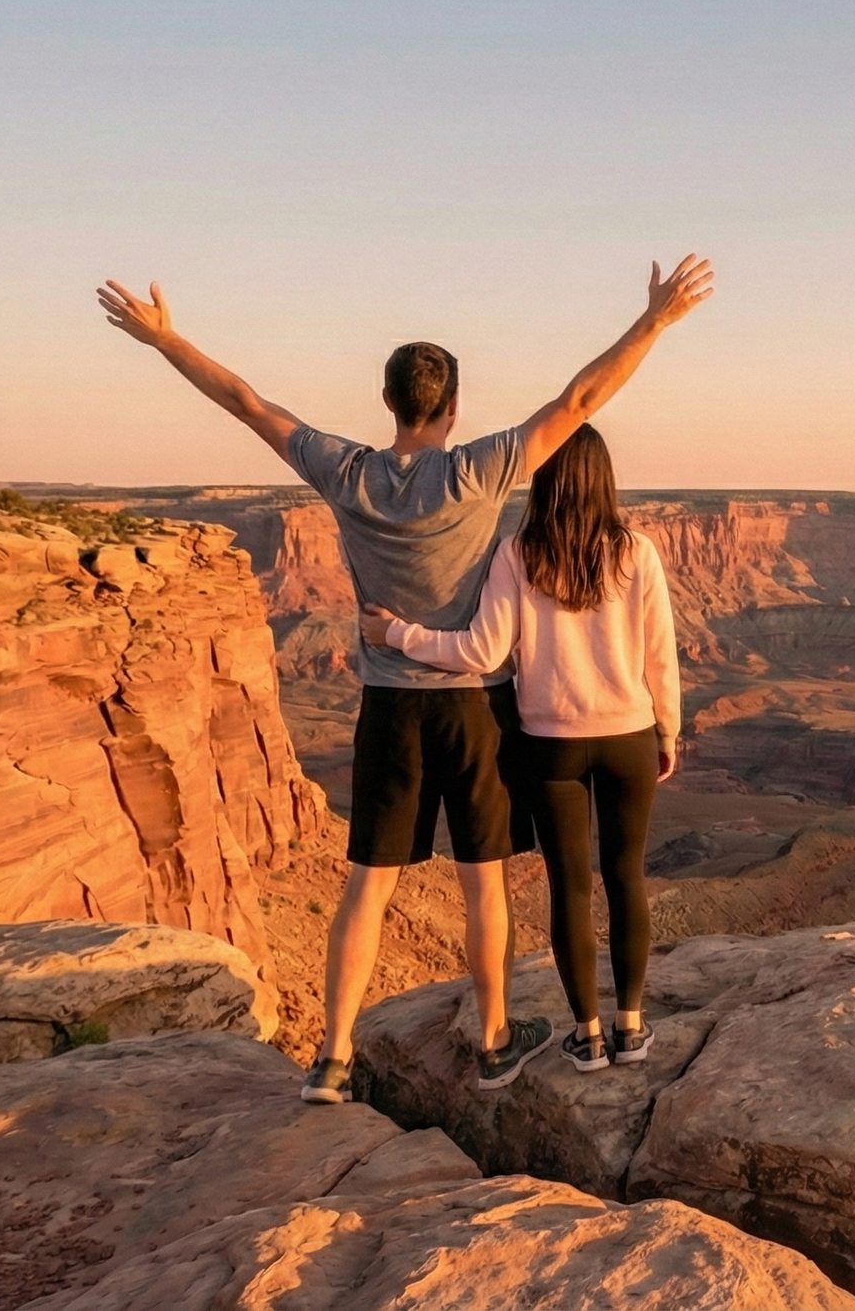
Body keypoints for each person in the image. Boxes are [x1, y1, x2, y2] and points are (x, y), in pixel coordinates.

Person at [97, 257, 713, 1101]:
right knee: (483, 875)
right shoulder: (479, 471)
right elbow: (578, 403)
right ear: (452, 405)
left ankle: (334, 1057)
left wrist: (166, 339)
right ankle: (496, 1040)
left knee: (368, 884)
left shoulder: (346, 472)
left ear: (389, 403)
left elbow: (248, 403)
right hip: (474, 712)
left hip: (388, 707)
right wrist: (656, 321)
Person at [362, 423, 676, 1071]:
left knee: (569, 888)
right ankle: (632, 1028)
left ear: (545, 478)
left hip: (552, 745)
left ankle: (586, 1035)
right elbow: (660, 658)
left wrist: (398, 634)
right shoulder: (636, 551)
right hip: (628, 738)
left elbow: (480, 650)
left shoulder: (519, 552)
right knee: (625, 877)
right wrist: (667, 730)